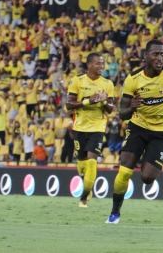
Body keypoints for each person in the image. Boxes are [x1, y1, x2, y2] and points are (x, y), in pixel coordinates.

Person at [106, 40, 163, 224]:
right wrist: (132, 107)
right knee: (124, 171)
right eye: (156, 54)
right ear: (146, 56)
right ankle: (115, 213)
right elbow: (122, 113)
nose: (160, 58)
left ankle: (149, 158)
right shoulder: (133, 79)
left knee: (147, 178)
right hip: (138, 127)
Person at [66, 53, 115, 208]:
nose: (101, 66)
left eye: (103, 63)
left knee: (92, 162)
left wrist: (102, 101)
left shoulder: (108, 84)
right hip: (79, 127)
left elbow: (111, 109)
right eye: (98, 63)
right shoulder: (77, 81)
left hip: (97, 128)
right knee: (82, 166)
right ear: (89, 65)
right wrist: (89, 100)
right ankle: (87, 184)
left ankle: (84, 197)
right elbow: (69, 104)